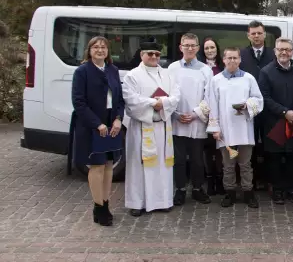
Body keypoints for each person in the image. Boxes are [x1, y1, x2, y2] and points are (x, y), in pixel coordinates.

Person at [70, 36, 124, 226]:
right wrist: (97, 124)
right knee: (97, 166)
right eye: (96, 47)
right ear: (89, 50)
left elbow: (120, 99)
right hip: (93, 125)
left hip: (111, 124)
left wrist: (118, 119)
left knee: (109, 165)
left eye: (103, 47)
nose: (100, 50)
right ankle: (98, 206)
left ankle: (106, 202)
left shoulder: (113, 70)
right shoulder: (82, 71)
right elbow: (79, 102)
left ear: (108, 51)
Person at [122, 41, 180, 217]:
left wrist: (164, 103)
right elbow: (131, 100)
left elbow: (176, 96)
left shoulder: (167, 74)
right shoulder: (132, 76)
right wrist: (154, 103)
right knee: (140, 167)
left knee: (162, 165)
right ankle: (137, 203)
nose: (154, 57)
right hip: (142, 127)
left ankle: (163, 201)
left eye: (157, 53)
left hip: (162, 127)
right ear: (142, 55)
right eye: (150, 53)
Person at [206, 47, 264, 208]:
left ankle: (248, 192)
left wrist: (247, 105)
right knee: (228, 165)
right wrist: (214, 128)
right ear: (223, 60)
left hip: (244, 127)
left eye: (235, 58)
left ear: (240, 60)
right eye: (229, 58)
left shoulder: (248, 78)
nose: (232, 61)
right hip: (225, 129)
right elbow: (212, 105)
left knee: (245, 164)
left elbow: (258, 99)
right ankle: (229, 193)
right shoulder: (216, 80)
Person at [258, 38, 293, 205]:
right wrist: (284, 112)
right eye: (280, 49)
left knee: (292, 157)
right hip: (274, 121)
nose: (284, 52)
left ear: (292, 52)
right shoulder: (266, 71)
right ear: (275, 51)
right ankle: (277, 190)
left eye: (287, 49)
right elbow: (265, 98)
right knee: (275, 158)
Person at [167, 33, 213, 206]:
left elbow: (209, 96)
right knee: (178, 159)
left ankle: (197, 189)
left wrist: (195, 114)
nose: (190, 48)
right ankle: (179, 189)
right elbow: (166, 93)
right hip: (177, 120)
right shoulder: (172, 69)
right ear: (180, 47)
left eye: (193, 45)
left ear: (198, 48)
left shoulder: (205, 70)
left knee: (197, 159)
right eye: (186, 45)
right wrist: (175, 114)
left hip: (197, 121)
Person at [240, 20, 276, 191]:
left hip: (269, 108)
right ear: (248, 35)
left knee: (270, 145)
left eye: (259, 33)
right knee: (250, 146)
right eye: (253, 33)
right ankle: (251, 181)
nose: (256, 36)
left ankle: (269, 180)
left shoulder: (273, 54)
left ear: (264, 34)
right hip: (249, 109)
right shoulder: (241, 54)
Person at [199, 37, 224, 196]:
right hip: (205, 114)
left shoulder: (223, 66)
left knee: (220, 149)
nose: (210, 51)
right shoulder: (200, 68)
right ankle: (210, 181)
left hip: (221, 113)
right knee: (207, 150)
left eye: (212, 47)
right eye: (207, 48)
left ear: (217, 49)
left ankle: (220, 181)